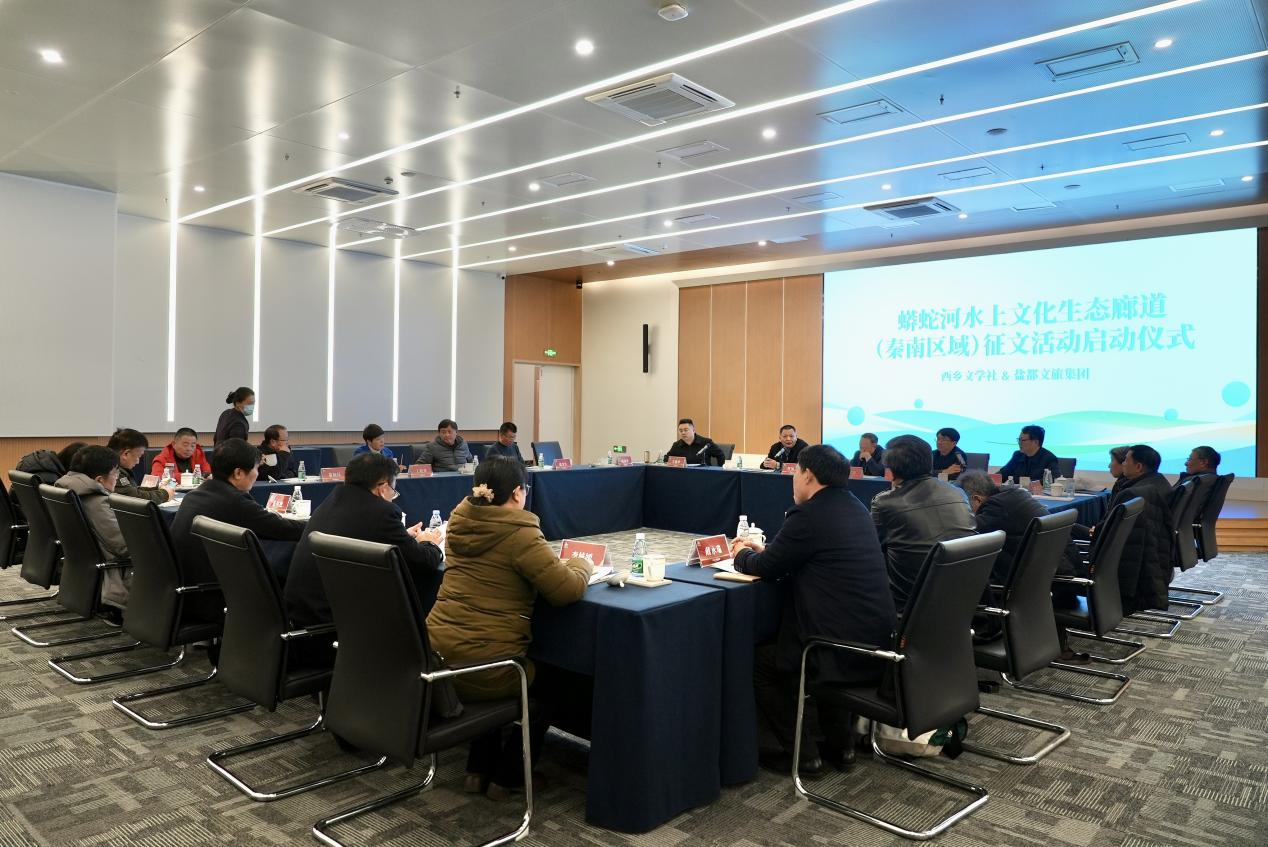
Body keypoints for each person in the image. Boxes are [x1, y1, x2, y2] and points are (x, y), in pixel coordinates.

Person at [426, 457, 592, 799]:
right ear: (518, 492)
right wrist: (581, 564)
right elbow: (566, 590)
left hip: (435, 658)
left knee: (486, 652)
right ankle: (508, 777)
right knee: (553, 676)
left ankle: (477, 769)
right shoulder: (520, 533)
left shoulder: (458, 522)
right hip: (486, 669)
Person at [730, 445, 896, 775]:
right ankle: (842, 748)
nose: (793, 479)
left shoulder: (808, 515)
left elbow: (765, 567)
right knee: (814, 642)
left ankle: (804, 756)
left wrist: (740, 555)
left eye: (795, 472)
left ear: (808, 475)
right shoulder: (856, 507)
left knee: (763, 664)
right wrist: (769, 550)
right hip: (876, 643)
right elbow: (809, 552)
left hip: (835, 649)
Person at [285, 453, 444, 642]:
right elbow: (424, 561)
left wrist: (403, 537)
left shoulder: (334, 499)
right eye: (393, 491)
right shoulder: (382, 511)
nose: (393, 498)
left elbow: (364, 533)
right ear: (382, 488)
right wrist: (429, 542)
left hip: (302, 617)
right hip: (335, 628)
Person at [957, 470, 1089, 662]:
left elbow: (966, 533)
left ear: (976, 499)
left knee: (969, 577)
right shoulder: (1016, 495)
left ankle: (973, 639)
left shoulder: (996, 507)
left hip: (1047, 588)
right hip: (1061, 580)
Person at [169, 439, 304, 617]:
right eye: (256, 469)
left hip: (185, 593)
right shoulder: (233, 501)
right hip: (215, 598)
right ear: (239, 473)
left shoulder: (196, 494)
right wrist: (318, 523)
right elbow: (284, 529)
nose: (257, 474)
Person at [870, 434, 976, 611]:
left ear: (892, 469)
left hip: (909, 603)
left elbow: (870, 551)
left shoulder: (886, 503)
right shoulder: (957, 492)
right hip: (960, 598)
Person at [55, 446, 130, 613]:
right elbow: (124, 547)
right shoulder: (97, 502)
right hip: (114, 575)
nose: (118, 477)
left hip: (82, 571)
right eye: (115, 473)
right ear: (100, 479)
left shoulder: (65, 489)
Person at [1106, 444, 1175, 615]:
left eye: (1126, 461)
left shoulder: (1133, 493)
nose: (1122, 464)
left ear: (1138, 467)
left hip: (1124, 563)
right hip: (1154, 561)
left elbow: (1110, 534)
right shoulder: (1159, 483)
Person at [108, 428, 171, 504]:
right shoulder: (112, 472)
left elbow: (132, 490)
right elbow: (135, 497)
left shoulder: (115, 466)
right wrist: (165, 494)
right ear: (126, 454)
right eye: (138, 456)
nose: (138, 462)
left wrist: (156, 489)